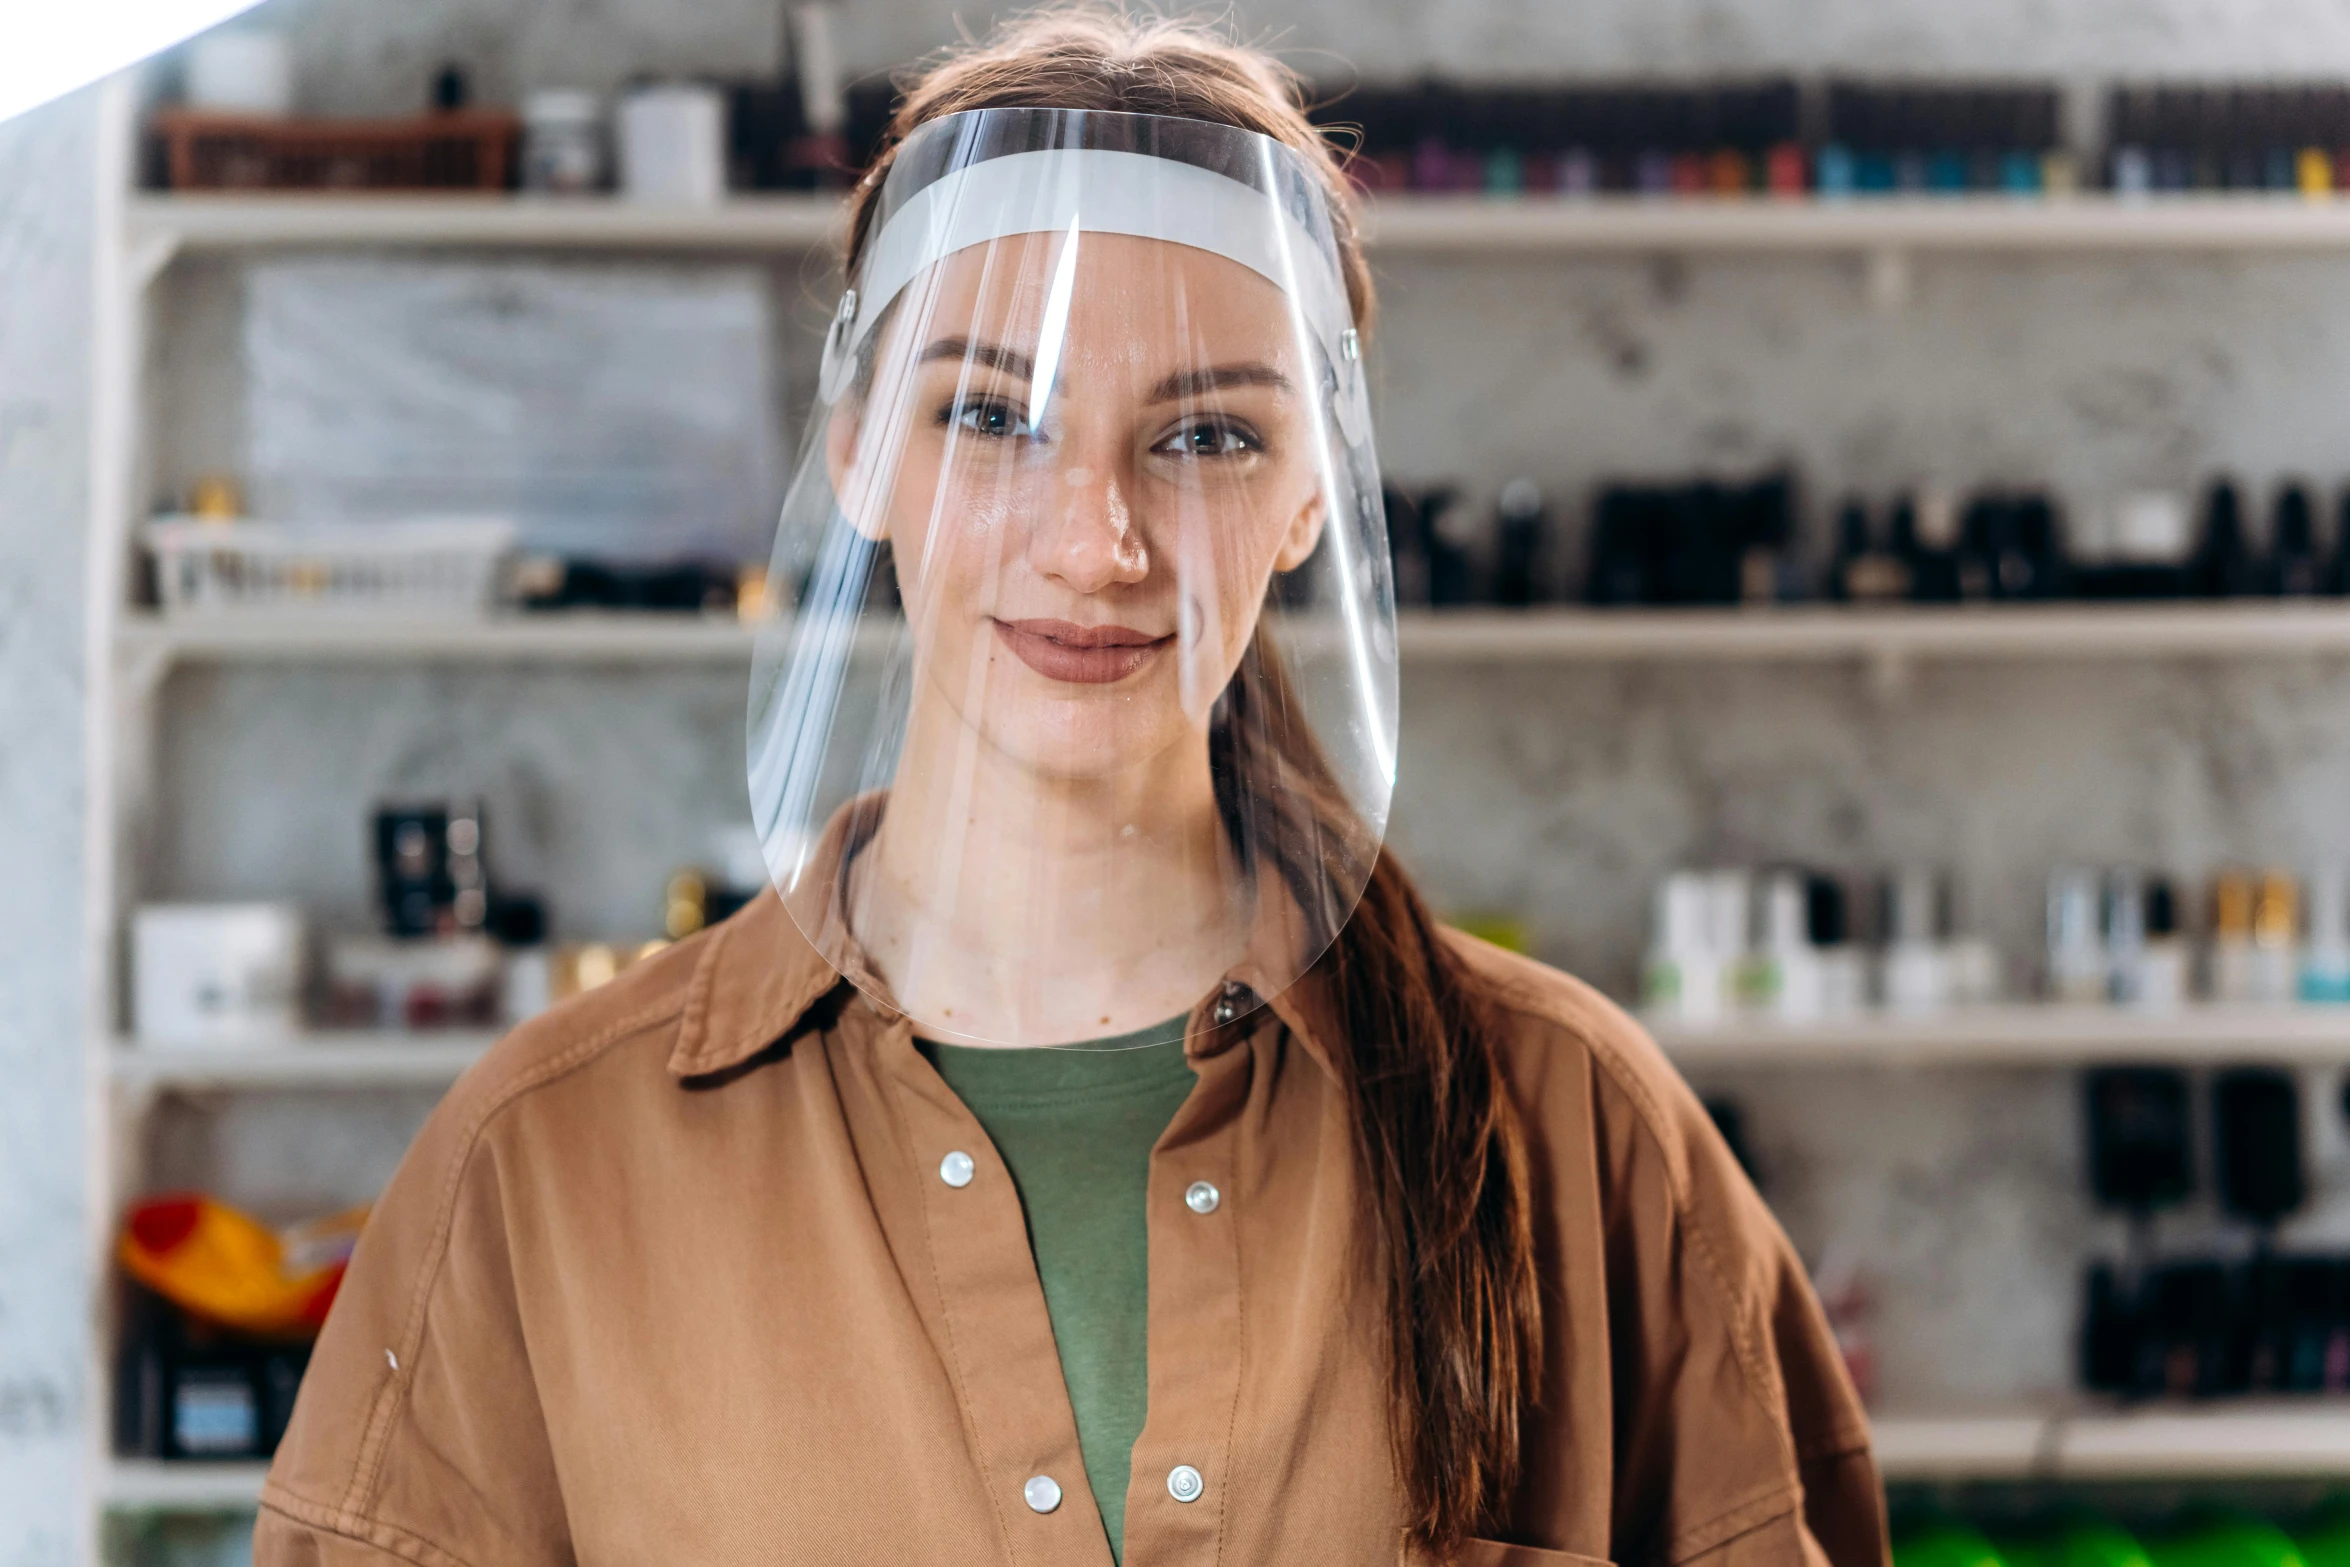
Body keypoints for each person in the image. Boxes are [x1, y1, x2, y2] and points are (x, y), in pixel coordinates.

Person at [256, 11, 1886, 1567]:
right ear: (856, 451)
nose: (1092, 540)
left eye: (1208, 438)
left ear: (1317, 492)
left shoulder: (1578, 1136)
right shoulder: (543, 1170)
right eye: (987, 415)